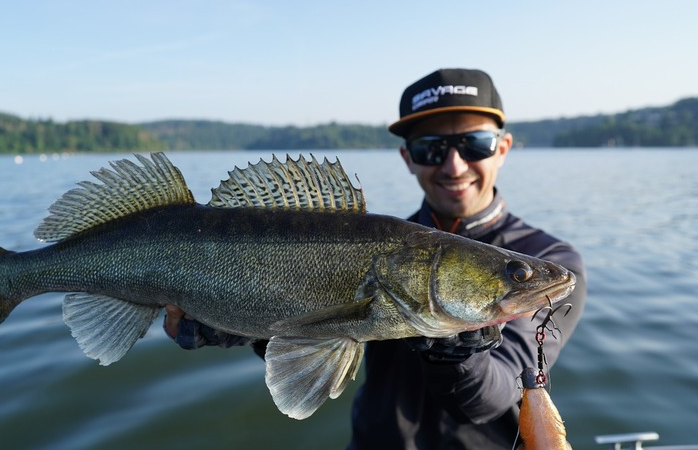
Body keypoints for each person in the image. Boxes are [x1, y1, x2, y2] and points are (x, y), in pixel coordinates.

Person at [164, 68, 587, 449]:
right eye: (430, 148)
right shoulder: (378, 241)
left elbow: (489, 398)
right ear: (407, 158)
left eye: (474, 144)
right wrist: (238, 325)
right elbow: (308, 334)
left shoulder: (546, 259)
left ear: (503, 147)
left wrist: (458, 352)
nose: (454, 166)